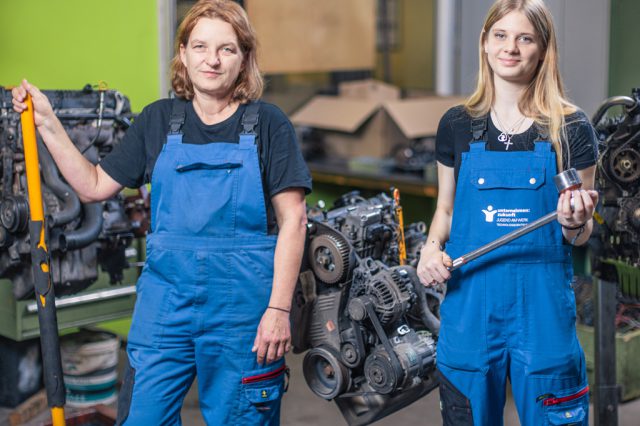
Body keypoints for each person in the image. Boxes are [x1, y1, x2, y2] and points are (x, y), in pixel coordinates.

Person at [12, 0, 311, 424]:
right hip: (166, 304)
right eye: (200, 46)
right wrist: (47, 122)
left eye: (227, 49)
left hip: (242, 311)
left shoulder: (267, 124)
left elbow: (293, 221)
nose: (212, 59)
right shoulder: (158, 120)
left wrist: (279, 311)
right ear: (184, 54)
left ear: (244, 59)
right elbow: (94, 185)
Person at [416, 1, 598, 425]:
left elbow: (581, 230)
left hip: (543, 307)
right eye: (500, 35)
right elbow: (445, 209)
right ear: (484, 43)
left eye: (525, 38)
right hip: (470, 301)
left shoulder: (570, 128)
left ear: (542, 49)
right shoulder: (457, 125)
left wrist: (574, 221)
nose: (510, 48)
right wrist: (429, 250)